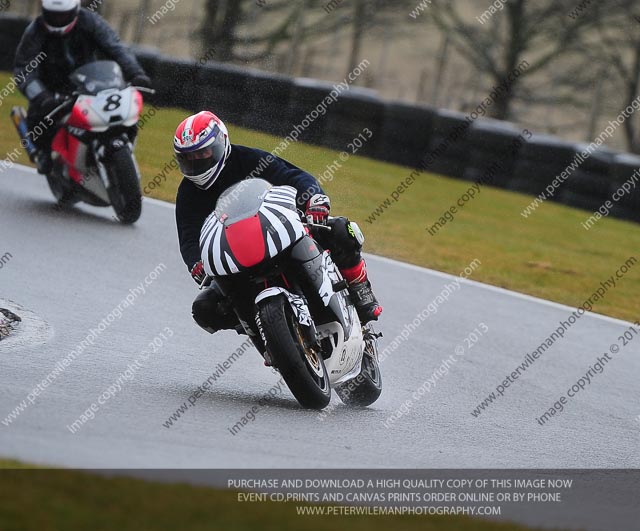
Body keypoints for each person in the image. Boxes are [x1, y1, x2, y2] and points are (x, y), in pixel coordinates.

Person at [174, 111, 383, 333]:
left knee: (342, 229)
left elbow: (292, 176)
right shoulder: (188, 192)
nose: (197, 162)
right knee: (204, 308)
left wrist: (314, 200)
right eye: (189, 157)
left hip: (276, 232)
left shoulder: (248, 159)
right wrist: (196, 262)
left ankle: (359, 286)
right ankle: (263, 332)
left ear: (221, 142)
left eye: (203, 153)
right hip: (236, 257)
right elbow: (188, 235)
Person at [13, 0, 151, 175]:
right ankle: (44, 153)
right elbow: (24, 69)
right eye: (53, 15)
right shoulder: (35, 32)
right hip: (52, 89)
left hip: (90, 81)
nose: (58, 19)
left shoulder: (90, 21)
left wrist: (135, 73)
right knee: (39, 118)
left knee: (119, 111)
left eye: (63, 15)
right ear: (44, 11)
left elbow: (115, 47)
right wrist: (41, 96)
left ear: (75, 10)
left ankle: (117, 150)